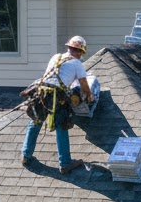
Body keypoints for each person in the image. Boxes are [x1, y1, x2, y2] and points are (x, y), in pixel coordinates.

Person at [21, 36, 94, 174]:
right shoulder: (77, 64)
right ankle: (65, 163)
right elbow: (84, 85)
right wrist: (90, 96)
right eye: (81, 53)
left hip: (42, 93)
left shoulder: (56, 57)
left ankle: (25, 155)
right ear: (80, 52)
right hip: (58, 97)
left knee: (35, 122)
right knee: (62, 126)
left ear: (69, 48)